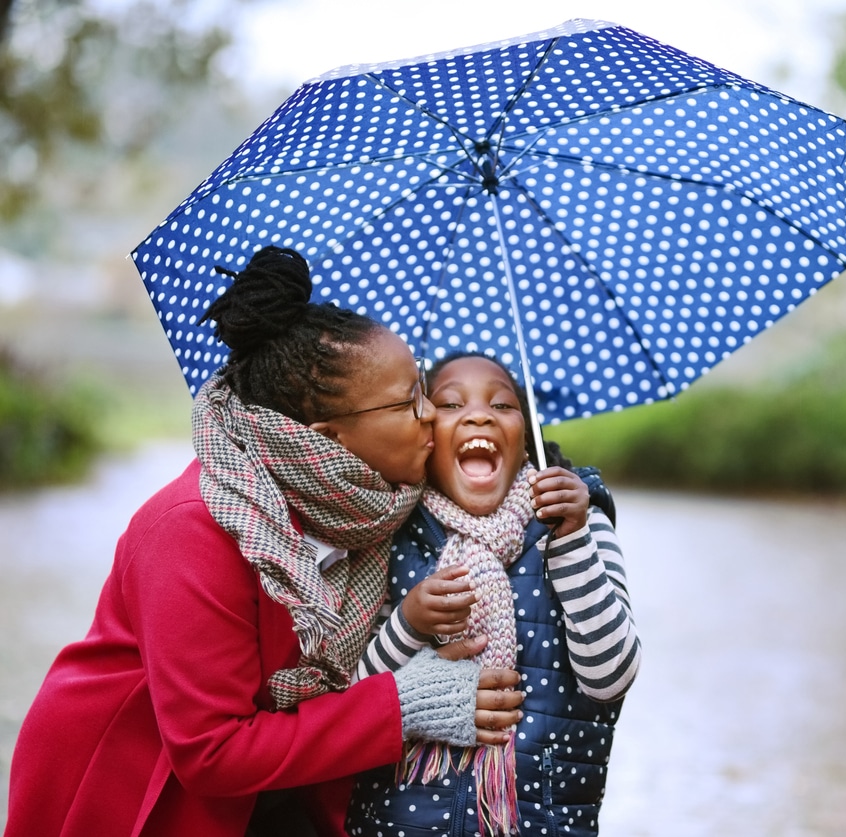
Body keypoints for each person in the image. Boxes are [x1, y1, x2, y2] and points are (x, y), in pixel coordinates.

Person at [5, 247, 522, 837]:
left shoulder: (371, 506)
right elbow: (211, 749)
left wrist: (569, 491)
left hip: (284, 776)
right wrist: (404, 705)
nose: (432, 416)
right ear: (329, 438)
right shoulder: (192, 532)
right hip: (139, 786)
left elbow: (493, 489)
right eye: (410, 401)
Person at [344, 353, 641, 837]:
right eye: (450, 403)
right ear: (425, 435)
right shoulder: (389, 535)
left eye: (502, 404)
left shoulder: (581, 524)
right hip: (397, 824)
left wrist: (570, 542)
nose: (479, 414)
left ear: (525, 437)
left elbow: (612, 677)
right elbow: (351, 705)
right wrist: (409, 625)